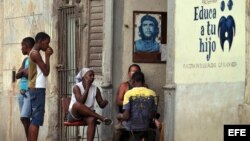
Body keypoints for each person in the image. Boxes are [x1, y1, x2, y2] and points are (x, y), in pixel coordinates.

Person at [68, 68, 113, 141]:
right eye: (90, 75)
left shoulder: (96, 89)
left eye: (93, 75)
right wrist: (87, 87)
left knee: (92, 119)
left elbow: (101, 105)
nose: (92, 77)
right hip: (74, 114)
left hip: (87, 115)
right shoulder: (76, 87)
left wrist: (105, 102)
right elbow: (81, 101)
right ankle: (101, 118)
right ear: (84, 77)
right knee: (78, 105)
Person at [117, 71, 157, 141]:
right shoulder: (153, 94)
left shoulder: (129, 94)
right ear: (143, 81)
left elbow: (126, 116)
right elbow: (153, 114)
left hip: (131, 128)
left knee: (118, 126)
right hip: (146, 127)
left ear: (133, 81)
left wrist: (119, 116)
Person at [28, 32, 53, 141]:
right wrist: (48, 57)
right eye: (46, 43)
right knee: (36, 120)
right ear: (40, 41)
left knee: (34, 120)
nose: (47, 46)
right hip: (37, 89)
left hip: (35, 88)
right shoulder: (35, 54)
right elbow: (46, 72)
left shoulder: (34, 52)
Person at [16, 37, 35, 140]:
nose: (21, 48)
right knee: (25, 118)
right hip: (21, 93)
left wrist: (23, 71)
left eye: (22, 46)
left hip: (29, 92)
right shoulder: (26, 60)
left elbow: (29, 74)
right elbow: (17, 75)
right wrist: (23, 71)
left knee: (24, 117)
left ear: (26, 46)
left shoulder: (34, 58)